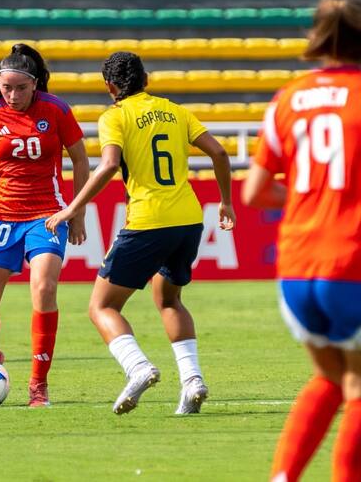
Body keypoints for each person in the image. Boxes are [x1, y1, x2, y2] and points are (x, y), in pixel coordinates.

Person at [240, 0, 361, 482]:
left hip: (297, 267)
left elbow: (255, 192)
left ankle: (283, 476)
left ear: (318, 35)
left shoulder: (288, 99)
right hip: (358, 260)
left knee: (329, 377)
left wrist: (313, 197)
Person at [45, 51, 236, 415]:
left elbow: (110, 164)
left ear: (110, 87)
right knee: (169, 300)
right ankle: (192, 379)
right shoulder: (176, 111)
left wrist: (72, 208)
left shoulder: (115, 116)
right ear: (146, 80)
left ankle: (138, 367)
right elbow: (220, 152)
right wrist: (225, 202)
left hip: (149, 220)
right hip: (188, 220)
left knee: (102, 306)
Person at [0, 43, 89, 407]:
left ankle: (38, 384)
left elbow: (81, 160)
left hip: (48, 213)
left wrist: (77, 213)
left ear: (35, 85)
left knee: (43, 290)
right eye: (6, 87)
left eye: (20, 88)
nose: (12, 95)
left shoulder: (56, 110)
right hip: (1, 214)